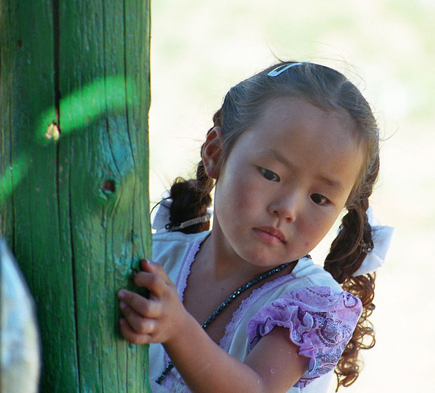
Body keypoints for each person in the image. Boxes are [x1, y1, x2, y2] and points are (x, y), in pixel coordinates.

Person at [117, 61, 393, 393]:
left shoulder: (308, 306)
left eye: (319, 198)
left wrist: (178, 330)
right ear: (215, 153)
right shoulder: (154, 256)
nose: (287, 209)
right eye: (270, 174)